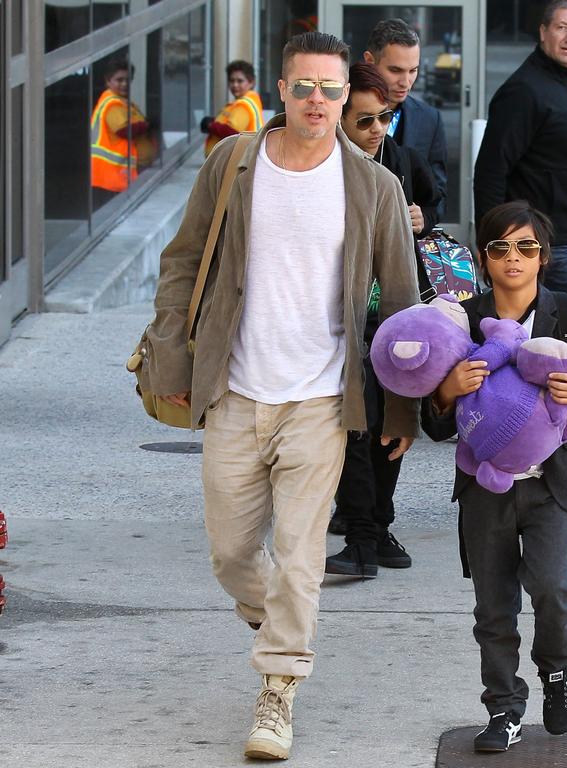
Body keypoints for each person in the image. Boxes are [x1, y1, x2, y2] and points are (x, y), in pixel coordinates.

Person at [148, 32, 419, 759]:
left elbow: (402, 306)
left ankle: (278, 690)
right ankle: (279, 626)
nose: (318, 102)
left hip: (320, 401)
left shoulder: (373, 186)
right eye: (304, 87)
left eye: (331, 90)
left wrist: (400, 410)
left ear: (347, 97)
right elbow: (181, 263)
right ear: (282, 88)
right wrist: (173, 350)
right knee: (232, 553)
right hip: (235, 390)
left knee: (301, 557)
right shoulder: (233, 165)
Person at [422, 201, 567, 753]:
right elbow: (434, 419)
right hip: (485, 485)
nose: (513, 258)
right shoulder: (460, 317)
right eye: (500, 248)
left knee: (553, 588)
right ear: (483, 258)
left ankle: (557, 671)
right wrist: (446, 391)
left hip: (554, 482)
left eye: (525, 247)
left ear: (543, 257)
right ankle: (503, 707)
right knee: (493, 605)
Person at [325, 61, 440, 578]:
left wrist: (421, 219)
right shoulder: (329, 169)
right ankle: (363, 533)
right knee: (355, 427)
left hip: (393, 313)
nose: (376, 131)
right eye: (364, 121)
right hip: (342, 318)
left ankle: (377, 527)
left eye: (384, 119)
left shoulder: (401, 162)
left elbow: (430, 219)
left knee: (394, 422)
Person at [473, 0, 567, 326]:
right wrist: (488, 243)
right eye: (562, 27)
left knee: (555, 336)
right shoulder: (524, 91)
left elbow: (557, 162)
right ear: (543, 32)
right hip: (543, 245)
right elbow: (491, 171)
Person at [364, 18, 448, 220]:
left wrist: (425, 217)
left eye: (413, 70)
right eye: (395, 70)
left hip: (403, 242)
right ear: (369, 61)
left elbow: (438, 196)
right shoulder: (339, 112)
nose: (406, 82)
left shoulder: (429, 119)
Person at [90, 59, 156, 204]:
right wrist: (147, 125)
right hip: (114, 175)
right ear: (108, 81)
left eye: (128, 80)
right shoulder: (112, 104)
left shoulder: (122, 102)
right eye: (119, 80)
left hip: (120, 174)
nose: (124, 84)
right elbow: (124, 131)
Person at [201, 60, 265, 157]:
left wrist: (210, 125)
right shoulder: (246, 100)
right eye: (232, 80)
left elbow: (231, 134)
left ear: (251, 82)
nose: (235, 85)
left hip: (234, 163)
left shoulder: (244, 104)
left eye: (240, 81)